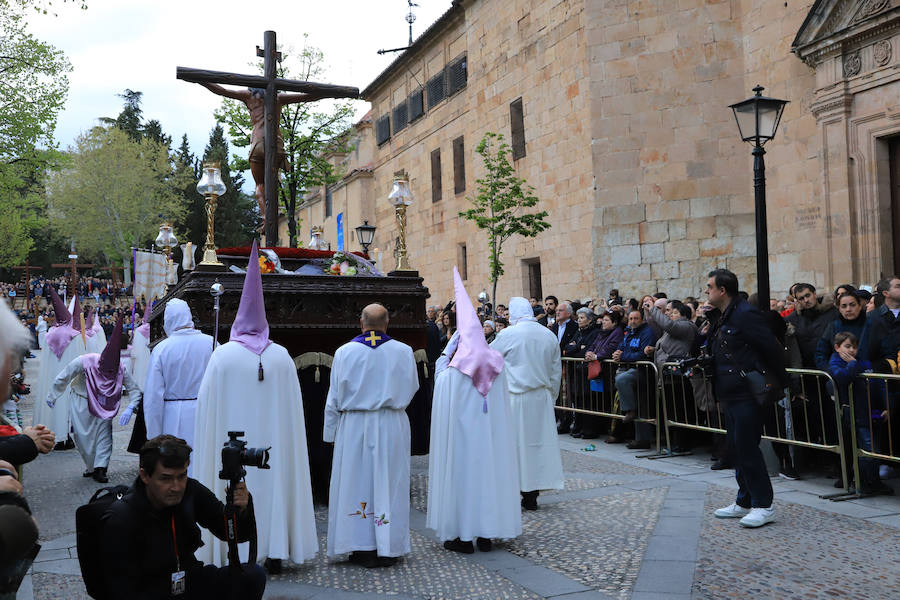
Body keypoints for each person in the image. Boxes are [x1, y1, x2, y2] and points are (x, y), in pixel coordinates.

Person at [193, 241, 318, 571]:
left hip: (232, 452)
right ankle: (275, 548)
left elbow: (205, 410)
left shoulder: (222, 357)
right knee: (276, 479)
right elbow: (294, 419)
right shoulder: (281, 358)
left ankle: (231, 548)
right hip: (272, 454)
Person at [100, 435, 266, 599]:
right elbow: (121, 590)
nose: (176, 487)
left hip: (185, 579)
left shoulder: (190, 490)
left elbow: (232, 533)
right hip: (148, 589)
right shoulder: (121, 517)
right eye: (166, 478)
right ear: (145, 476)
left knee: (252, 577)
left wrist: (241, 510)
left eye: (182, 476)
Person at [428, 268, 520, 553]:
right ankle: (486, 535)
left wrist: (445, 353)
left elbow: (439, 387)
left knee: (464, 480)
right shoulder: (497, 365)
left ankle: (464, 536)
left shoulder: (455, 370)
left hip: (463, 438)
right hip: (490, 437)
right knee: (488, 477)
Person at [324, 303, 419, 567]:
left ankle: (360, 545)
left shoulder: (344, 352)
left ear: (361, 323)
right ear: (387, 323)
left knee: (356, 485)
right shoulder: (403, 351)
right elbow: (412, 386)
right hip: (391, 423)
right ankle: (388, 544)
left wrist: (329, 434)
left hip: (355, 426)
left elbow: (333, 397)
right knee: (390, 484)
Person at [704, 269, 788, 528]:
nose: (706, 291)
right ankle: (745, 500)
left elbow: (771, 348)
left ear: (722, 290)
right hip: (730, 392)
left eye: (709, 287)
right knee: (737, 447)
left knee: (748, 447)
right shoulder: (722, 316)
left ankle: (764, 504)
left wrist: (781, 384)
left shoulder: (745, 314)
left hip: (747, 393)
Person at [197, 83, 324, 224]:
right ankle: (273, 215)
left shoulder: (248, 96)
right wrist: (328, 92)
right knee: (272, 184)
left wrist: (202, 80)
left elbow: (221, 90)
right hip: (276, 145)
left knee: (260, 185)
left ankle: (265, 217)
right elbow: (309, 97)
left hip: (258, 143)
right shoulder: (279, 97)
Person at [491, 297, 564, 510]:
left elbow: (490, 360)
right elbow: (555, 371)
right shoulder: (548, 335)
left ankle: (516, 489)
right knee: (537, 447)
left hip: (514, 398)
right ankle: (532, 494)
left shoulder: (507, 334)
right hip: (540, 398)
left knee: (515, 446)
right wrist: (551, 397)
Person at [47, 317, 141, 483]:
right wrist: (52, 395)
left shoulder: (120, 368)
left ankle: (100, 468)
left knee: (105, 436)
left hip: (105, 405)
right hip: (81, 402)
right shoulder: (85, 361)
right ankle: (91, 466)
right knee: (81, 438)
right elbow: (64, 376)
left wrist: (131, 406)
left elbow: (134, 389)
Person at [140, 299, 215, 449]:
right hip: (206, 413)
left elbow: (153, 396)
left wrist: (153, 435)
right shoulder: (211, 343)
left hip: (173, 416)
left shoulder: (162, 349)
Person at [827, 332, 893, 496]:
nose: (852, 350)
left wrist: (887, 406)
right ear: (837, 347)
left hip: (872, 411)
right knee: (866, 448)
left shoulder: (864, 361)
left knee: (874, 449)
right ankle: (864, 482)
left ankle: (874, 480)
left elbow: (878, 383)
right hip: (855, 413)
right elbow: (842, 378)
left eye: (854, 347)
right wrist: (853, 364)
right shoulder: (836, 362)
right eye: (847, 346)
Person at [612, 309, 657, 450]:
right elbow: (621, 348)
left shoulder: (647, 332)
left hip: (643, 372)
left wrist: (624, 356)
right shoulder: (628, 333)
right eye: (630, 318)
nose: (632, 321)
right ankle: (640, 438)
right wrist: (617, 353)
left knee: (622, 380)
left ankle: (629, 410)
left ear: (642, 319)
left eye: (636, 318)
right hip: (631, 370)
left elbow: (643, 354)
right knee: (639, 404)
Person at [562, 307, 600, 438]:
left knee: (587, 400)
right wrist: (578, 347)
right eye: (578, 318)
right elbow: (567, 348)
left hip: (586, 371)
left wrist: (576, 348)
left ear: (589, 320)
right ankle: (579, 426)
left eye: (582, 318)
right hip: (576, 370)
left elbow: (586, 351)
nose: (579, 320)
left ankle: (589, 429)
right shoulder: (578, 332)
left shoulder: (594, 332)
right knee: (577, 398)